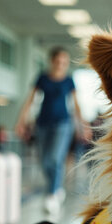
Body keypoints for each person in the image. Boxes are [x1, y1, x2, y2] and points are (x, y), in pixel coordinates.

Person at [15, 46, 83, 214]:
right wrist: (21, 121)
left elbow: (75, 105)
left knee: (55, 158)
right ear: (52, 61)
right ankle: (57, 188)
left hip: (63, 124)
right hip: (43, 123)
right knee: (44, 161)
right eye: (58, 61)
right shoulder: (42, 78)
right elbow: (30, 100)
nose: (61, 65)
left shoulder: (69, 81)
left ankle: (52, 195)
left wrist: (82, 126)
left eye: (64, 62)